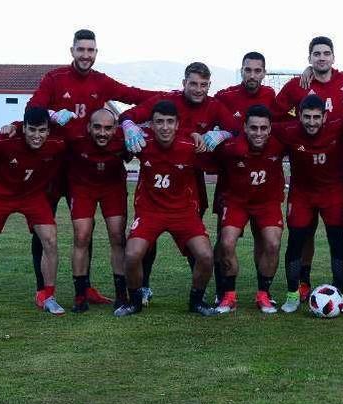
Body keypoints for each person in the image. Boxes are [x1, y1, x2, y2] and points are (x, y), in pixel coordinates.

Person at [25, 28, 157, 308]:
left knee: (86, 231)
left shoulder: (102, 82)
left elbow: (135, 94)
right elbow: (32, 108)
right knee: (42, 226)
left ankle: (87, 289)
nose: (86, 55)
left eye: (91, 50)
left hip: (82, 163)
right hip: (54, 164)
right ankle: (42, 289)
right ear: (72, 50)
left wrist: (175, 97)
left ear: (96, 53)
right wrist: (51, 113)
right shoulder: (55, 78)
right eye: (81, 49)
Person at [119, 62, 241, 305]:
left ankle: (198, 294)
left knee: (196, 244)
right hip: (155, 183)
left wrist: (221, 134)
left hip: (190, 177)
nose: (198, 89)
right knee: (144, 244)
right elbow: (128, 116)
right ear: (183, 82)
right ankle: (142, 288)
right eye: (193, 83)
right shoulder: (166, 101)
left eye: (204, 85)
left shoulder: (214, 106)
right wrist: (129, 126)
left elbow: (238, 131)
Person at [114, 100, 220, 317]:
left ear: (177, 124)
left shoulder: (190, 146)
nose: (164, 127)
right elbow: (114, 139)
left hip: (183, 212)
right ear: (150, 125)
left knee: (206, 256)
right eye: (159, 122)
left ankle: (196, 301)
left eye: (170, 122)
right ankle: (135, 301)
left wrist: (221, 136)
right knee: (132, 255)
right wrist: (125, 131)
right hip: (149, 211)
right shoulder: (143, 142)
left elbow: (220, 159)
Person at [273, 36, 343, 301]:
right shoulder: (297, 85)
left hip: (336, 181)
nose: (321, 58)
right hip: (303, 186)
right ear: (309, 58)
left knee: (337, 239)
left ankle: (340, 293)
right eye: (316, 54)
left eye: (326, 53)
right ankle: (296, 289)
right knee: (299, 236)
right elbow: (270, 117)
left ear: (333, 56)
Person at [0, 107, 68, 316]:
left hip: (33, 196)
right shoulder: (6, 139)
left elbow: (76, 137)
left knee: (50, 240)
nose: (37, 136)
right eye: (32, 130)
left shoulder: (57, 143)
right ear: (24, 128)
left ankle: (49, 297)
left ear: (48, 130)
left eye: (42, 131)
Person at [272, 95, 343, 313]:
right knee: (296, 242)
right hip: (302, 195)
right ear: (299, 116)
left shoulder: (339, 127)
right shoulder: (289, 131)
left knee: (337, 242)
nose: (311, 122)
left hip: (333, 194)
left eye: (317, 117)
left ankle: (339, 294)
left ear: (325, 117)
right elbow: (260, 123)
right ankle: (292, 295)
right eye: (307, 117)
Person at [213, 52, 278, 303]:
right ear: (241, 70)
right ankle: (224, 292)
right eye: (248, 70)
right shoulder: (226, 96)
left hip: (263, 185)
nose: (252, 75)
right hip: (232, 180)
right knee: (225, 240)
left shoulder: (271, 96)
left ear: (264, 72)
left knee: (265, 240)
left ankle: (263, 293)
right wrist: (216, 135)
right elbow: (210, 118)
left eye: (257, 70)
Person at [213, 105, 286, 314]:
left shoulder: (280, 144)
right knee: (226, 243)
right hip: (237, 202)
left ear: (270, 128)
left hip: (267, 202)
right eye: (254, 128)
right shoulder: (230, 148)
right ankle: (229, 295)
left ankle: (263, 294)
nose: (259, 133)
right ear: (244, 127)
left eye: (264, 128)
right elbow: (205, 159)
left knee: (272, 243)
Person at [67, 108, 132, 312]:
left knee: (117, 236)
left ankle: (121, 295)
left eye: (107, 128)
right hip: (83, 187)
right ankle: (80, 295)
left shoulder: (123, 139)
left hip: (112, 188)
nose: (102, 133)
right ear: (88, 127)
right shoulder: (76, 137)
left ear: (115, 129)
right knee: (81, 236)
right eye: (97, 127)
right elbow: (44, 130)